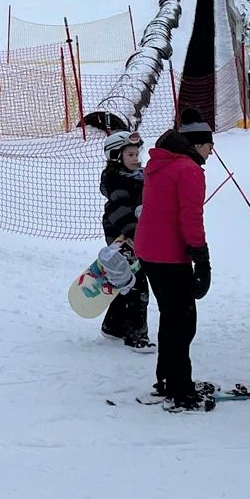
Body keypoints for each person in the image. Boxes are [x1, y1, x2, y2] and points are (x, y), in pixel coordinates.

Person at [132, 119, 214, 410]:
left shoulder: (162, 164)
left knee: (170, 316)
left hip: (149, 252)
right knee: (182, 321)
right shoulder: (188, 170)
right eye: (208, 145)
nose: (211, 152)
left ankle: (167, 378)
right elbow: (190, 217)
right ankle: (181, 390)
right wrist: (202, 259)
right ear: (196, 145)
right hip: (169, 255)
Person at [98, 129, 150, 348]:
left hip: (137, 236)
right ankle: (136, 336)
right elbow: (120, 212)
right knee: (138, 286)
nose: (135, 159)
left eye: (136, 154)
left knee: (127, 281)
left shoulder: (138, 178)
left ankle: (114, 325)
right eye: (130, 155)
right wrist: (132, 234)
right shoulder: (117, 181)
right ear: (116, 157)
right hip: (123, 239)